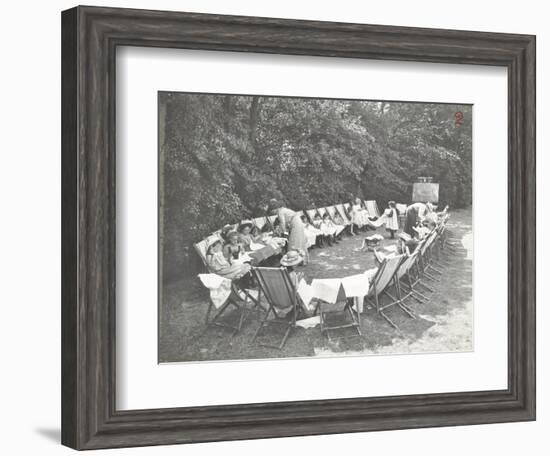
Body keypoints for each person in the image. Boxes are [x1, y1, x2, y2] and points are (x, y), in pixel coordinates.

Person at [268, 199, 308, 264]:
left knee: (294, 242)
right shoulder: (283, 209)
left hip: (296, 224)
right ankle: (303, 259)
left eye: (273, 211)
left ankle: (296, 261)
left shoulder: (280, 212)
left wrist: (284, 234)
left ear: (275, 209)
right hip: (298, 222)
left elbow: (283, 223)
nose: (273, 213)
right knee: (300, 241)